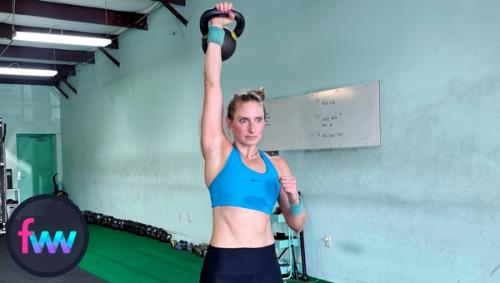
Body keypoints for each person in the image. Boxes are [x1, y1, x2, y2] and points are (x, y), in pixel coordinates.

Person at [199, 2, 306, 282]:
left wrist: (294, 198)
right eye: (244, 120)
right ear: (229, 123)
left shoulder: (278, 164)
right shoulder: (218, 153)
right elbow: (212, 86)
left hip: (266, 264)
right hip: (225, 265)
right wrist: (215, 31)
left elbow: (297, 224)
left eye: (258, 120)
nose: (252, 127)